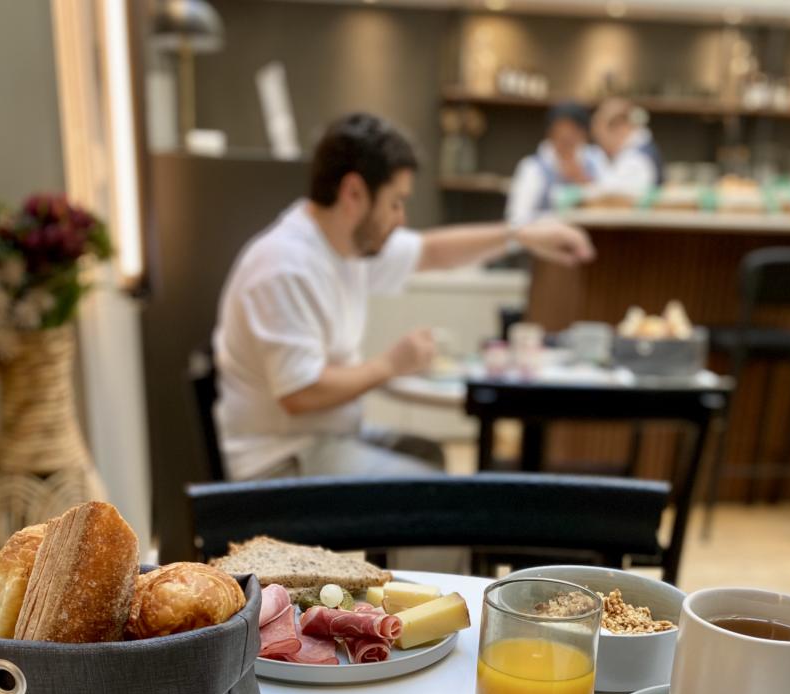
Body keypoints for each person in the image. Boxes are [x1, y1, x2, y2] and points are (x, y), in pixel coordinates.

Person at [213, 111, 594, 481]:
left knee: (429, 456)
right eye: (395, 202)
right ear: (353, 193)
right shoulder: (286, 266)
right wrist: (392, 364)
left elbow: (430, 251)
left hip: (322, 440)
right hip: (277, 462)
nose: (401, 218)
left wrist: (521, 235)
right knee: (427, 494)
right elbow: (301, 393)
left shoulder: (344, 248)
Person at [505, 102, 601, 225]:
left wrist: (581, 179)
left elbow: (612, 204)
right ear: (550, 133)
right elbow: (517, 218)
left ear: (583, 134)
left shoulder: (595, 160)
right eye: (561, 134)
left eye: (573, 132)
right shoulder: (532, 167)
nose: (567, 138)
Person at [591, 98, 663, 198]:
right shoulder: (635, 151)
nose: (603, 147)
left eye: (602, 139)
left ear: (619, 127)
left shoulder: (636, 159)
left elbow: (610, 196)